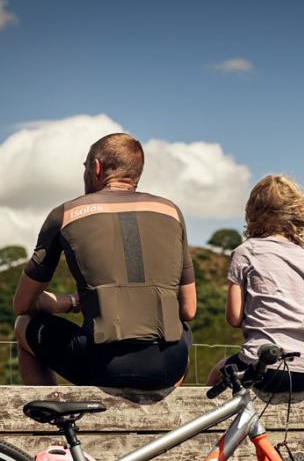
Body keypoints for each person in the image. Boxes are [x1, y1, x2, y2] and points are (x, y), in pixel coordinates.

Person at [13, 132, 196, 390]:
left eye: (86, 167)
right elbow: (188, 309)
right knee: (182, 331)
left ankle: (50, 419)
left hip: (104, 365)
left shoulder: (65, 214)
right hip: (169, 365)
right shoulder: (171, 211)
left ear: (96, 167)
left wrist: (68, 303)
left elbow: (22, 304)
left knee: (24, 326)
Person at [207, 175, 304, 393]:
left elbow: (234, 318)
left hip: (264, 365)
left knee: (218, 372)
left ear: (253, 211)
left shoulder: (246, 251)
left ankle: (212, 427)